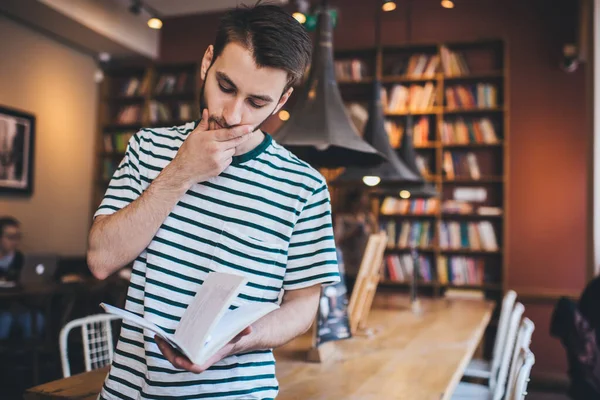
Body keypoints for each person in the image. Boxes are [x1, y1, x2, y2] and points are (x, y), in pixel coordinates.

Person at [87, 4, 340, 399]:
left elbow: (302, 307)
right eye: (225, 86)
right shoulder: (147, 148)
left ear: (283, 99)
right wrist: (182, 172)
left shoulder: (304, 186)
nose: (233, 113)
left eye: (257, 103)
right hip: (131, 391)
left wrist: (242, 339)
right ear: (208, 61)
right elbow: (101, 260)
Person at [0, 216, 43, 340]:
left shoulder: (19, 258)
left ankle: (28, 356)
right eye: (10, 237)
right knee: (5, 319)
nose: (15, 242)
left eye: (18, 237)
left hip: (16, 305)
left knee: (37, 318)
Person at [333, 187, 379, 278]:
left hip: (366, 263)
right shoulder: (343, 218)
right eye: (360, 203)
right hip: (348, 264)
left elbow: (376, 237)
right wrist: (353, 229)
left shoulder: (368, 218)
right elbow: (336, 240)